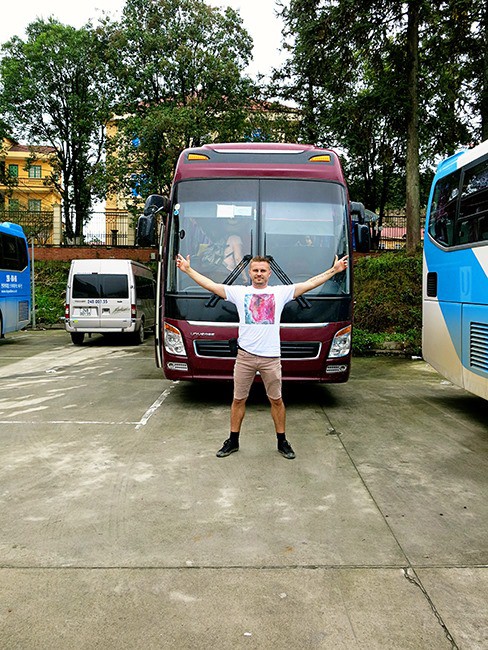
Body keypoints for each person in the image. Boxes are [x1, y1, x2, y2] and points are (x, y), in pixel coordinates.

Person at [175, 252, 349, 460]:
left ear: (269, 273)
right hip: (245, 358)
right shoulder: (239, 293)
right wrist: (187, 269)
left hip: (271, 358)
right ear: (249, 273)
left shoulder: (280, 293)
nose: (259, 274)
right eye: (255, 270)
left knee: (276, 400)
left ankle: (282, 441)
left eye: (263, 271)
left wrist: (334, 270)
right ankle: (233, 440)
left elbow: (310, 283)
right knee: (238, 399)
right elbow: (211, 285)